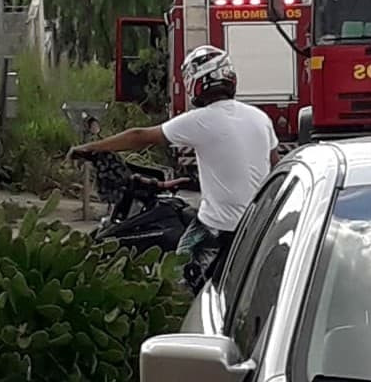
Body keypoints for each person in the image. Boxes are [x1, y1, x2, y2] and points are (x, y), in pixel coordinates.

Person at [68, 45, 280, 293]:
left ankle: (183, 318)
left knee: (176, 271)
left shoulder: (202, 119)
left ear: (195, 82)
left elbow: (141, 136)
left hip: (220, 227)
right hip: (259, 224)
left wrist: (92, 147)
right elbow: (271, 167)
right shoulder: (259, 118)